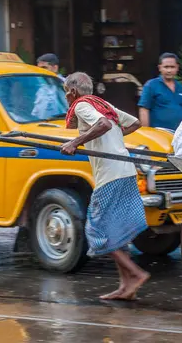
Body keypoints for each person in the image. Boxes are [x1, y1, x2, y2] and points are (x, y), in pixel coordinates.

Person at [60, 72, 150, 300]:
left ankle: (136, 274)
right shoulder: (102, 103)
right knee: (115, 231)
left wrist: (76, 142)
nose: (66, 100)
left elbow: (103, 124)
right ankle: (125, 286)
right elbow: (134, 123)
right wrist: (112, 141)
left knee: (97, 230)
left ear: (72, 91)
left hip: (110, 175)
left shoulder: (81, 105)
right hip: (126, 170)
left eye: (65, 94)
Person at [138, 52, 182, 131]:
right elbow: (144, 109)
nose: (169, 70)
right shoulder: (151, 85)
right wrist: (146, 132)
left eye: (172, 67)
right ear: (160, 68)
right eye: (166, 67)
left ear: (177, 68)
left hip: (179, 134)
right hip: (159, 134)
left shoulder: (181, 87)